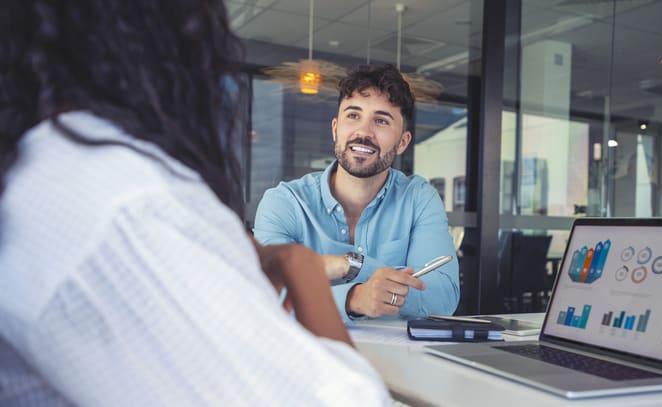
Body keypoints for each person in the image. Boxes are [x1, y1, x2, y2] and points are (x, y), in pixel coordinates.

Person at [0, 1, 388, 405]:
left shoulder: (43, 168)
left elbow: (438, 294)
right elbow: (343, 398)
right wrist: (303, 268)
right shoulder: (127, 202)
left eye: (381, 119)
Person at [254, 64, 460, 323]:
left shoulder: (419, 199)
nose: (363, 132)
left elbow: (442, 298)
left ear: (403, 143)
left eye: (381, 121)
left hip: (399, 362)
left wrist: (353, 266)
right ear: (335, 129)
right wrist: (353, 298)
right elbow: (262, 294)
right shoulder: (285, 203)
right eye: (353, 116)